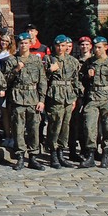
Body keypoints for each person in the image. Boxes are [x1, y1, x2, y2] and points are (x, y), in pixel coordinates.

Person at [5, 32, 47, 171]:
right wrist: (16, 69)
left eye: (26, 43)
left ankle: (33, 156)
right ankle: (20, 156)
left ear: (30, 44)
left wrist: (41, 100)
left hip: (33, 98)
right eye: (21, 43)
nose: (23, 45)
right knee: (18, 129)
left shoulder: (36, 60)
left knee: (34, 129)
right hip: (18, 98)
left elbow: (42, 81)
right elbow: (6, 80)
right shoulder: (12, 60)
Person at [79, 37, 108, 168]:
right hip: (92, 98)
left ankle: (105, 154)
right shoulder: (89, 62)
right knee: (89, 127)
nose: (96, 50)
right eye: (95, 47)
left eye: (99, 47)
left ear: (106, 47)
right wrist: (87, 76)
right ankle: (91, 154)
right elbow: (80, 79)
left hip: (107, 98)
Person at [44, 35, 80, 169]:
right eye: (58, 45)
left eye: (63, 45)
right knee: (55, 125)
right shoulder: (49, 59)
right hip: (55, 97)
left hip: (68, 97)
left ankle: (60, 153)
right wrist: (49, 70)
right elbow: (42, 79)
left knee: (65, 126)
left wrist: (75, 97)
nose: (60, 48)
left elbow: (76, 80)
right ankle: (53, 153)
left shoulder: (73, 61)